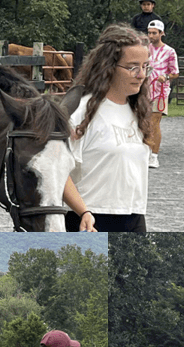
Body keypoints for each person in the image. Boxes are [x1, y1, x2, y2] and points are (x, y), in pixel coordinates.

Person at [65, 23, 152, 233]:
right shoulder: (82, 112)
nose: (141, 75)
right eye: (132, 67)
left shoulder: (138, 111)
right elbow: (58, 173)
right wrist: (83, 212)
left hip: (135, 218)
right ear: (109, 67)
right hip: (89, 221)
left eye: (145, 66)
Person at [146, 19, 179, 169]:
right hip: (144, 91)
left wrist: (165, 77)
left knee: (154, 123)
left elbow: (175, 73)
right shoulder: (145, 49)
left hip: (160, 92)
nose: (151, 35)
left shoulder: (170, 51)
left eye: (154, 33)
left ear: (162, 33)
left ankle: (154, 156)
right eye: (149, 32)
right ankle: (144, 152)